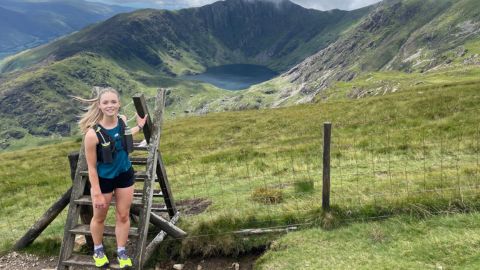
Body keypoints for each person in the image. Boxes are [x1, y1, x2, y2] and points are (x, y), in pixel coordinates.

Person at [75, 87, 147, 268]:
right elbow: (91, 167)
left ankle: (121, 252)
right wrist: (96, 192)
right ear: (99, 105)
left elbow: (123, 137)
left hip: (125, 175)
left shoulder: (122, 121)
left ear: (119, 104)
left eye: (113, 102)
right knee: (99, 217)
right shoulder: (92, 134)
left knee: (123, 216)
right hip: (104, 180)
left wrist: (139, 126)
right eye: (106, 102)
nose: (110, 105)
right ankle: (98, 250)